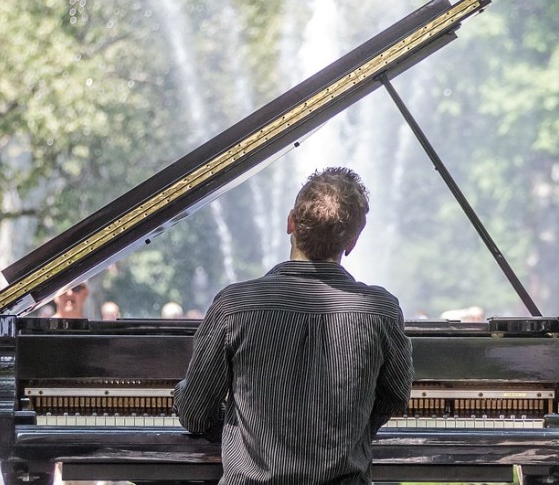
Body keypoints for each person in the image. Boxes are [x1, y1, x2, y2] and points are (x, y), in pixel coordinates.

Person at [173, 167, 414, 484]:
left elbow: (195, 413)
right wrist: (349, 432)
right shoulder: (380, 310)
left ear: (290, 222)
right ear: (352, 242)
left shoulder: (235, 304)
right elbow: (395, 397)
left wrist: (244, 430)